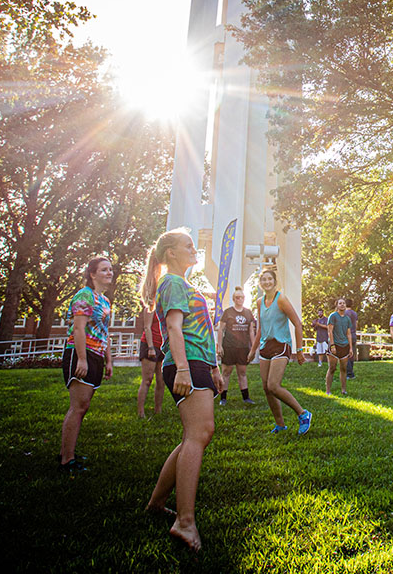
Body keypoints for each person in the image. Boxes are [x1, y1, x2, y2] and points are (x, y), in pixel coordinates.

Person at [140, 229, 224, 551]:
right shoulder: (172, 282)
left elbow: (200, 332)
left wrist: (214, 367)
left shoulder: (185, 284)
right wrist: (186, 369)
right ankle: (185, 522)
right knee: (199, 433)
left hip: (198, 363)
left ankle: (157, 504)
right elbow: (174, 328)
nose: (194, 248)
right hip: (184, 363)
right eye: (187, 244)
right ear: (171, 253)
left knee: (196, 435)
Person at [58, 256, 114, 471]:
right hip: (81, 353)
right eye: (104, 270)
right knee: (78, 406)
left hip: (97, 355)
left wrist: (108, 360)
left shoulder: (105, 301)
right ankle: (66, 460)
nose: (109, 273)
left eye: (110, 269)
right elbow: (79, 328)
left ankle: (68, 452)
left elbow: (104, 332)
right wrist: (81, 359)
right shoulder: (85, 295)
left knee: (84, 406)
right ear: (92, 274)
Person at [253, 268, 311, 434]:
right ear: (260, 283)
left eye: (269, 279)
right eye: (263, 279)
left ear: (274, 281)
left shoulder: (281, 299)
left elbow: (298, 324)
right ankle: (280, 424)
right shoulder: (259, 302)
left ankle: (303, 414)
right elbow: (260, 329)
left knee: (273, 385)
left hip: (281, 345)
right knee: (266, 387)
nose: (266, 282)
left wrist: (299, 350)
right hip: (266, 347)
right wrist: (252, 351)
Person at [217, 287, 255, 405]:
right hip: (229, 346)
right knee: (226, 372)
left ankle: (246, 398)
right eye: (237, 297)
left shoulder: (248, 312)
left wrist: (253, 348)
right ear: (233, 299)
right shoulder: (228, 312)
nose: (240, 299)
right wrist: (219, 346)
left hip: (243, 347)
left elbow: (251, 331)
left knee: (242, 372)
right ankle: (223, 398)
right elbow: (220, 329)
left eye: (242, 297)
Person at [136, 297, 164, 419]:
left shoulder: (168, 305)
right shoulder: (151, 305)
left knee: (161, 381)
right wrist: (151, 347)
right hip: (149, 344)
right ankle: (140, 412)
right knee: (147, 380)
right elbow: (147, 327)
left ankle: (158, 410)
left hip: (163, 346)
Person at [326, 297, 354, 395]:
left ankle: (343, 390)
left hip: (345, 346)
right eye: (340, 303)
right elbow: (330, 331)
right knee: (332, 368)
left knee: (344, 369)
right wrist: (332, 345)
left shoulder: (347, 319)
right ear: (337, 305)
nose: (342, 305)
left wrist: (350, 348)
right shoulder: (333, 316)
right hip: (335, 345)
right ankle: (328, 391)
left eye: (344, 303)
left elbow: (349, 334)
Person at [344, 301, 359, 379]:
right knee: (352, 354)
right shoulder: (354, 313)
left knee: (346, 354)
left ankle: (349, 373)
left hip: (347, 336)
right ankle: (351, 372)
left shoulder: (344, 313)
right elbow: (356, 325)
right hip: (354, 335)